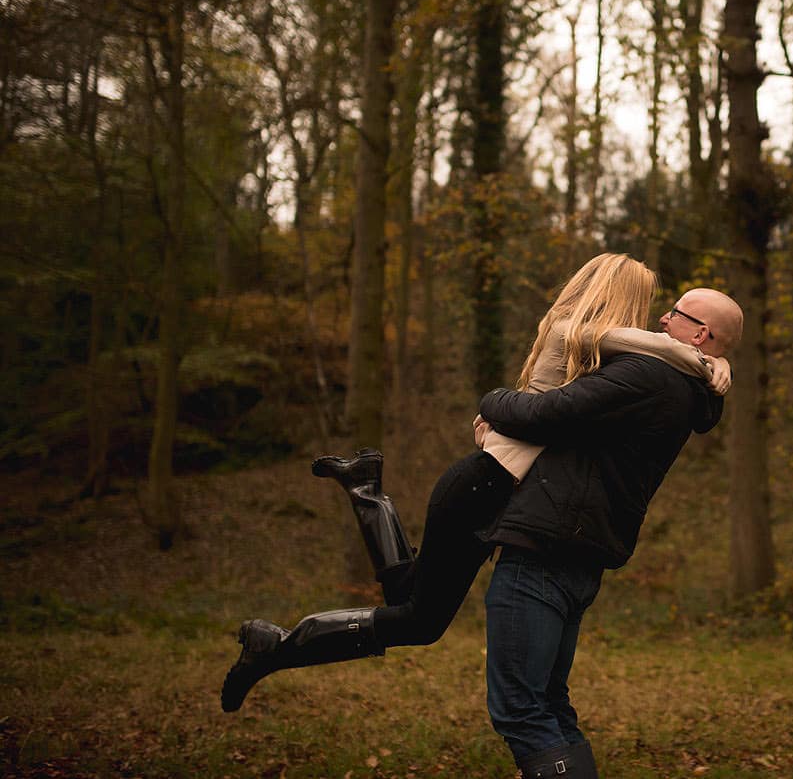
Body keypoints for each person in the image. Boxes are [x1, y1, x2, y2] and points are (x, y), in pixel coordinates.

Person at [220, 253, 730, 715]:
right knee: (419, 621)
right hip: (484, 487)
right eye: (646, 305)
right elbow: (659, 350)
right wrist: (709, 361)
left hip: (487, 484)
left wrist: (714, 360)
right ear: (620, 297)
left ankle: (363, 499)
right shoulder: (577, 330)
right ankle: (285, 631)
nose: (655, 319)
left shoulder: (596, 343)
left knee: (410, 605)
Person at [474, 284, 742, 779]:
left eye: (676, 314)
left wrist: (492, 400)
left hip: (547, 546)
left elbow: (542, 413)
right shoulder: (688, 390)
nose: (663, 320)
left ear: (701, 333)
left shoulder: (649, 375)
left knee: (522, 710)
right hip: (579, 551)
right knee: (550, 703)